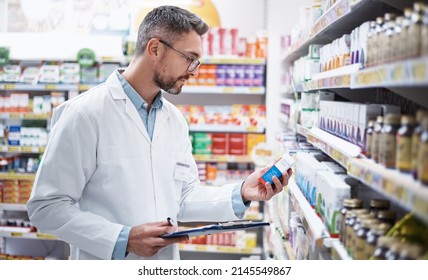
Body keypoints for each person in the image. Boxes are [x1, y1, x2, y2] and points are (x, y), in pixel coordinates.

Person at [27, 5, 292, 260]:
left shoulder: (174, 120)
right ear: (155, 48)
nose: (194, 72)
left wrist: (243, 192)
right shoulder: (84, 113)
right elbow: (46, 207)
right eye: (189, 59)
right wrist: (123, 238)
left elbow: (183, 197)